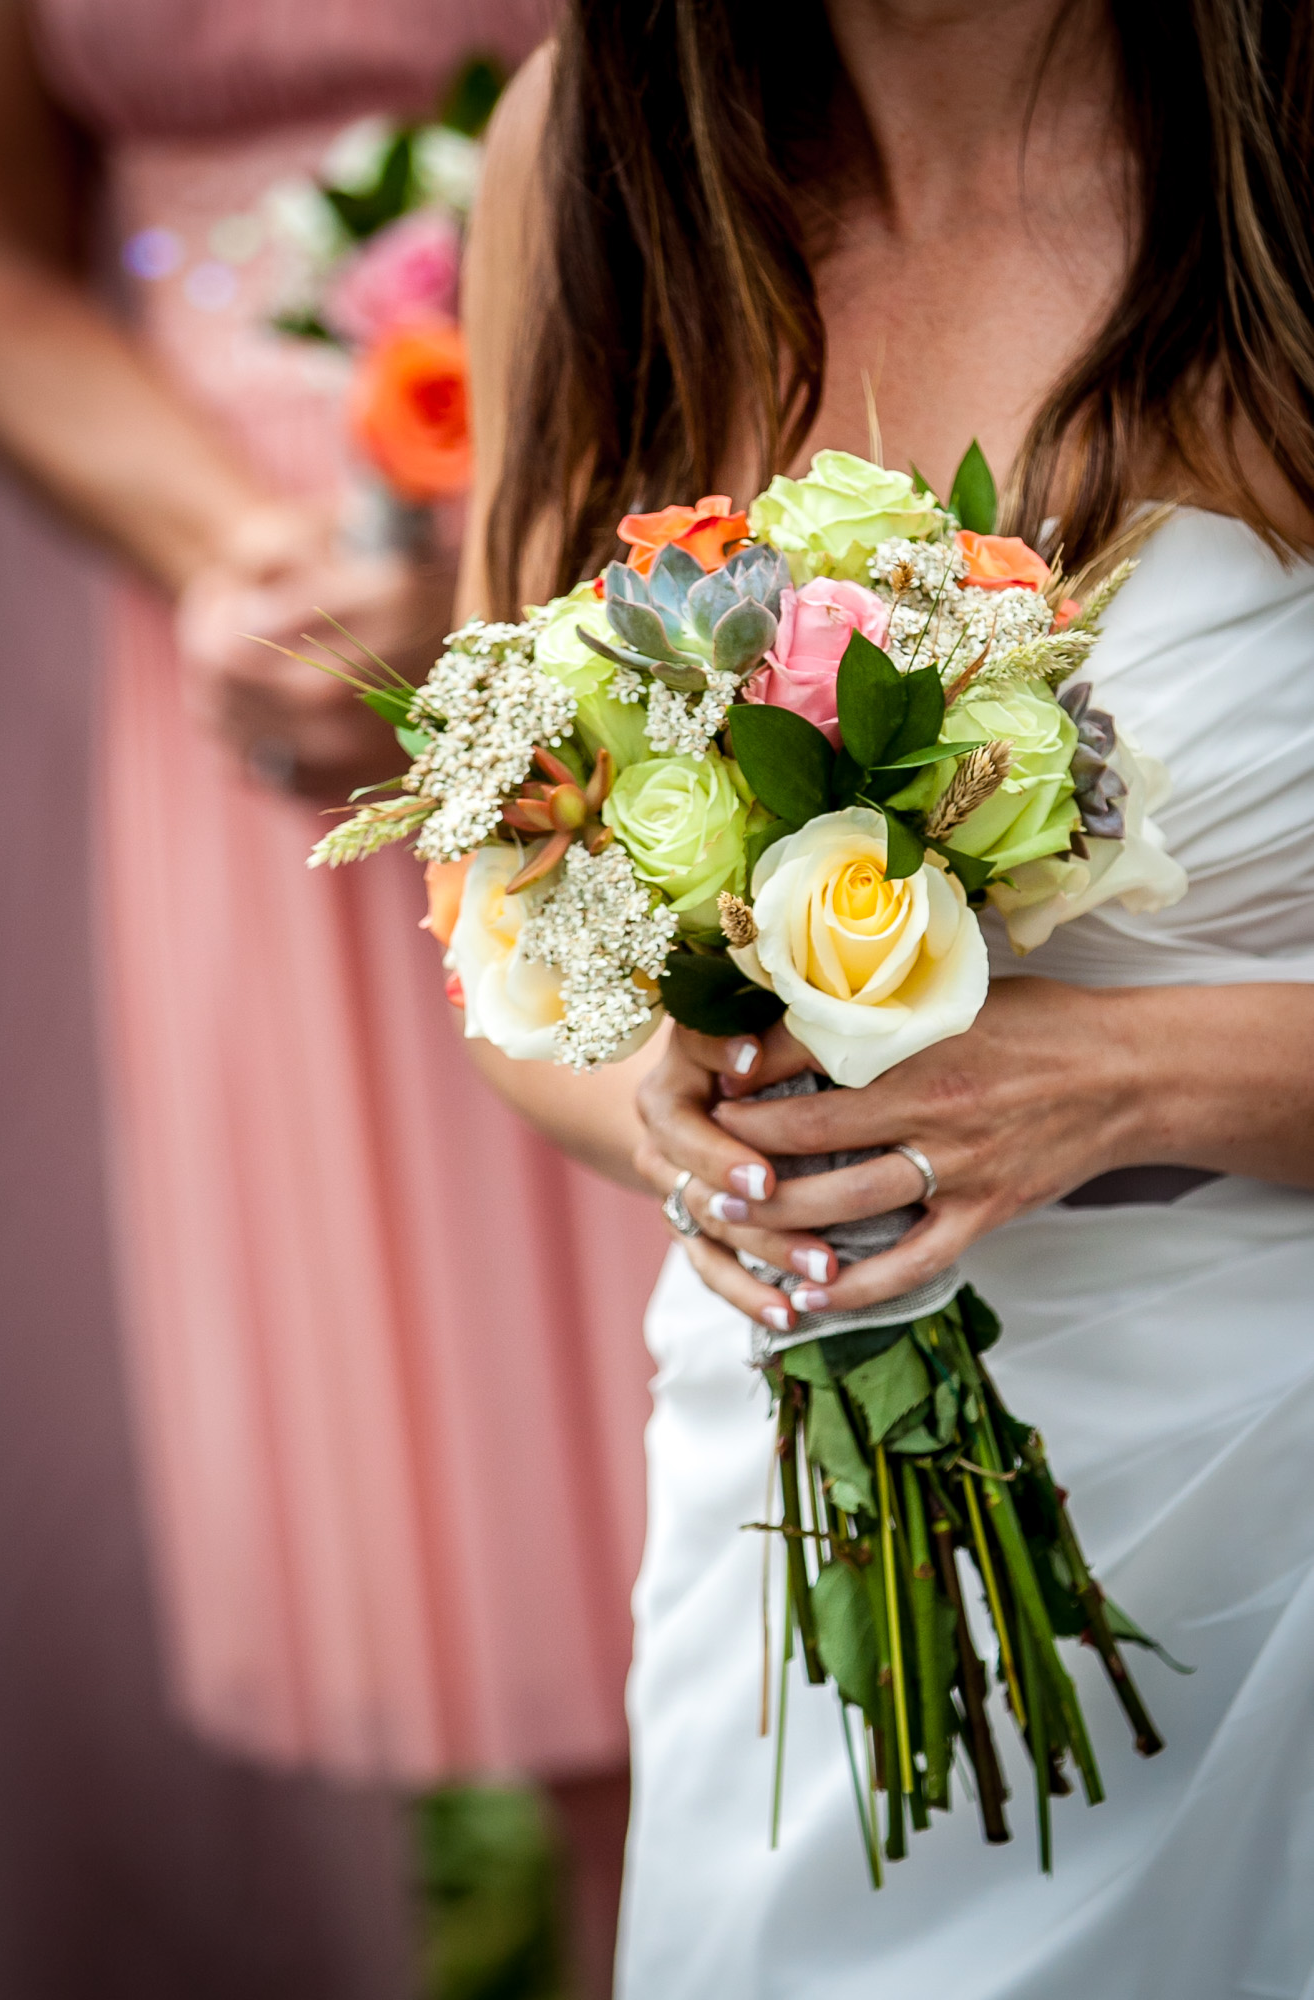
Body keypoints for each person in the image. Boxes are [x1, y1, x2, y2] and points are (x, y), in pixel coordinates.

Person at [456, 2, 1314, 1993]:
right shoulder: (599, 155)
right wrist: (678, 1121)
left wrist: (1123, 1078)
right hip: (805, 1482)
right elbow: (500, 867)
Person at [0, 3, 666, 1987]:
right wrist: (244, 567)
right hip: (262, 684)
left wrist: (506, 566)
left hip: (613, 577)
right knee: (543, 1636)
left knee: (727, 1592)